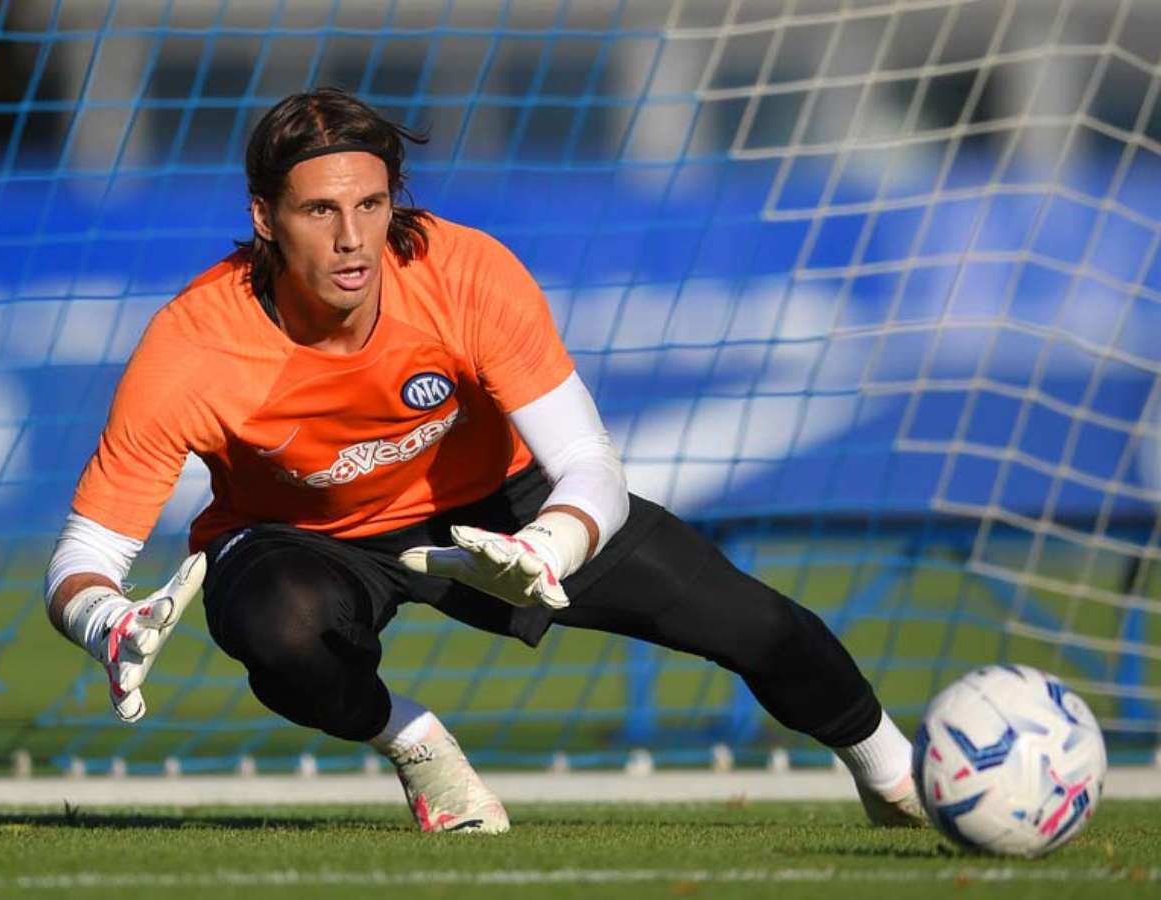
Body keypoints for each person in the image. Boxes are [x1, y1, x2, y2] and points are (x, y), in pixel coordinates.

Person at [45, 87, 926, 834]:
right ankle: (417, 744)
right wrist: (107, 622)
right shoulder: (191, 346)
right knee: (280, 632)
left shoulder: (463, 273)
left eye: (371, 205)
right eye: (320, 211)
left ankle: (904, 780)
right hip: (301, 537)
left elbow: (589, 463)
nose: (353, 238)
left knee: (758, 625)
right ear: (264, 219)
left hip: (501, 508)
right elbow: (84, 557)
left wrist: (548, 546)